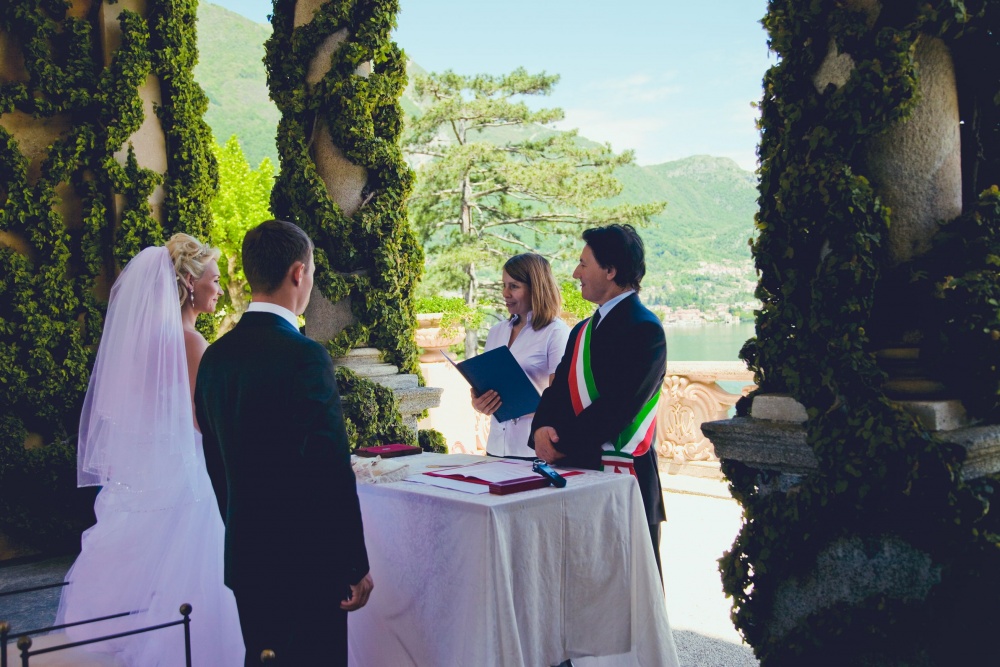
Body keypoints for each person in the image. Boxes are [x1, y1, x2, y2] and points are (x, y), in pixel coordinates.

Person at [57, 234, 244, 666]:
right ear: (189, 283)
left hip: (148, 469)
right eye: (215, 280)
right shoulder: (191, 343)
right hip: (188, 470)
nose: (219, 289)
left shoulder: (146, 342)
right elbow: (200, 422)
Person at [194, 219, 372, 667]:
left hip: (247, 555)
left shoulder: (215, 357)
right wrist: (354, 564)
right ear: (298, 273)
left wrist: (243, 528)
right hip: (305, 563)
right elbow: (330, 469)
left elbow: (215, 460)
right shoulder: (304, 356)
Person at [530, 224, 668, 576]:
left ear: (610, 270)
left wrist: (561, 445)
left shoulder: (645, 329)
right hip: (575, 474)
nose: (576, 273)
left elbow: (619, 409)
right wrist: (541, 429)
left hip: (624, 479)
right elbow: (557, 392)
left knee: (631, 586)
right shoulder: (581, 330)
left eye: (583, 264)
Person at [472, 253, 570, 459]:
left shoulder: (556, 332)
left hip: (532, 450)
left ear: (536, 288)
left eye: (514, 286)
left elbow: (561, 399)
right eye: (504, 285)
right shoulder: (496, 331)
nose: (505, 293)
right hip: (495, 448)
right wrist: (480, 402)